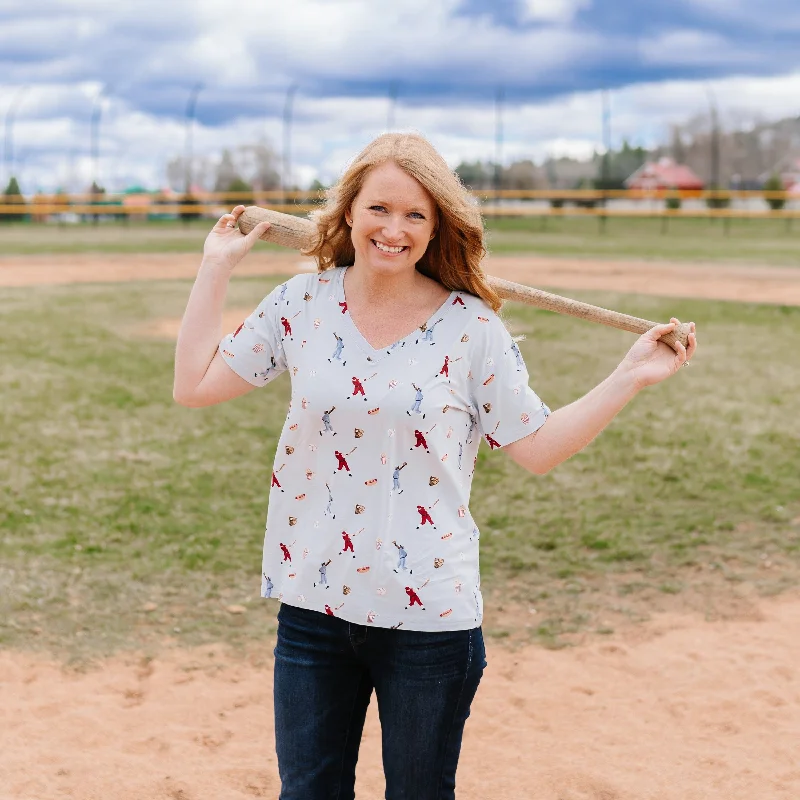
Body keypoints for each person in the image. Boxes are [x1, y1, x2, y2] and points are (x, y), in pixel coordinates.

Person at [173, 132, 697, 800]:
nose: (394, 229)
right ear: (350, 213)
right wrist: (215, 266)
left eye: (415, 215)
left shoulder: (472, 329)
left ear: (437, 226)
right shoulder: (299, 305)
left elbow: (534, 448)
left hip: (429, 621)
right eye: (379, 209)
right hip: (313, 606)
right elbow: (194, 384)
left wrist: (628, 377)